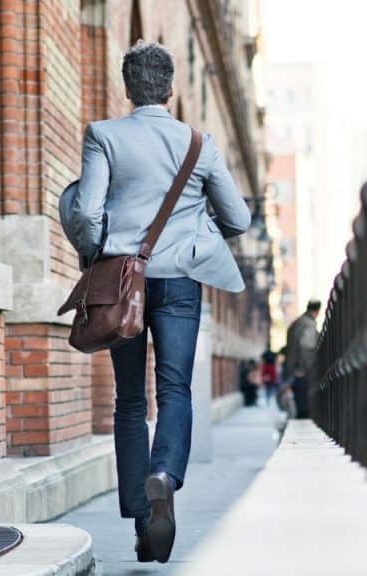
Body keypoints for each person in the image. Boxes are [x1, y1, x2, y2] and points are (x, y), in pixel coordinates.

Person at [65, 40, 250, 564]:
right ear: (170, 89)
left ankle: (144, 524)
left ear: (128, 89)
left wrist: (97, 249)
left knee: (129, 400)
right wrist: (193, 231)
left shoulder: (104, 135)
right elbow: (238, 219)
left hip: (123, 282)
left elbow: (87, 213)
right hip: (180, 280)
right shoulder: (200, 143)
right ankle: (164, 474)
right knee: (175, 389)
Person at [284, 300, 321, 419]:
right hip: (302, 370)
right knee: (303, 402)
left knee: (299, 398)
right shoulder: (308, 324)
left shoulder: (297, 322)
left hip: (294, 366)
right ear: (317, 311)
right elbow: (306, 347)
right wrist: (302, 368)